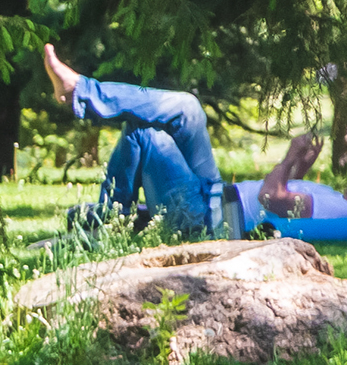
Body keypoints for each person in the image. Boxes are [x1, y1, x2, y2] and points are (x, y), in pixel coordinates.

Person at [43, 38, 223, 239]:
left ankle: (110, 217)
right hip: (215, 192)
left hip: (213, 220)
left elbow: (264, 200)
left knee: (141, 130)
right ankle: (80, 89)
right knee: (188, 107)